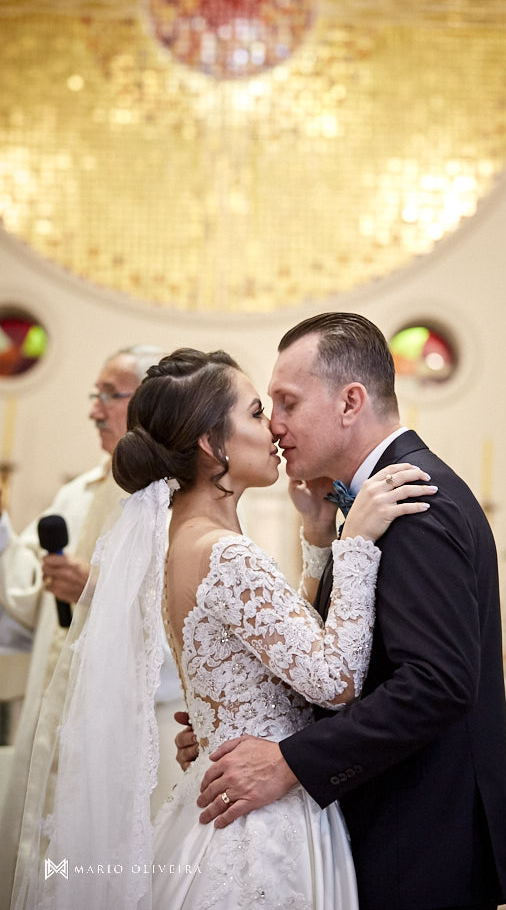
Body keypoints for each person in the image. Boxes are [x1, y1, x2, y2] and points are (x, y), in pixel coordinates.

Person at [12, 347, 435, 910]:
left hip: (225, 796)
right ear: (214, 444)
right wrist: (354, 543)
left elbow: (280, 653)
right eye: (258, 413)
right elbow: (336, 679)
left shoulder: (182, 543)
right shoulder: (225, 554)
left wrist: (314, 535)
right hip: (260, 826)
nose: (276, 430)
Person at [188, 313, 506, 910]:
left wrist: (288, 763)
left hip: (420, 841)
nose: (275, 424)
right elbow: (341, 662)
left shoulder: (416, 502)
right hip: (395, 829)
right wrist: (235, 709)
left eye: (288, 402)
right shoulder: (371, 504)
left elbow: (436, 684)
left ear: (351, 401)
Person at [0, 345, 183, 909]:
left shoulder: (175, 502)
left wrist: (100, 594)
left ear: (149, 402)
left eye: (111, 394)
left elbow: (192, 629)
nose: (95, 410)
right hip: (49, 716)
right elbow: (21, 594)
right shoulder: (73, 495)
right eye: (94, 395)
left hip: (127, 727)